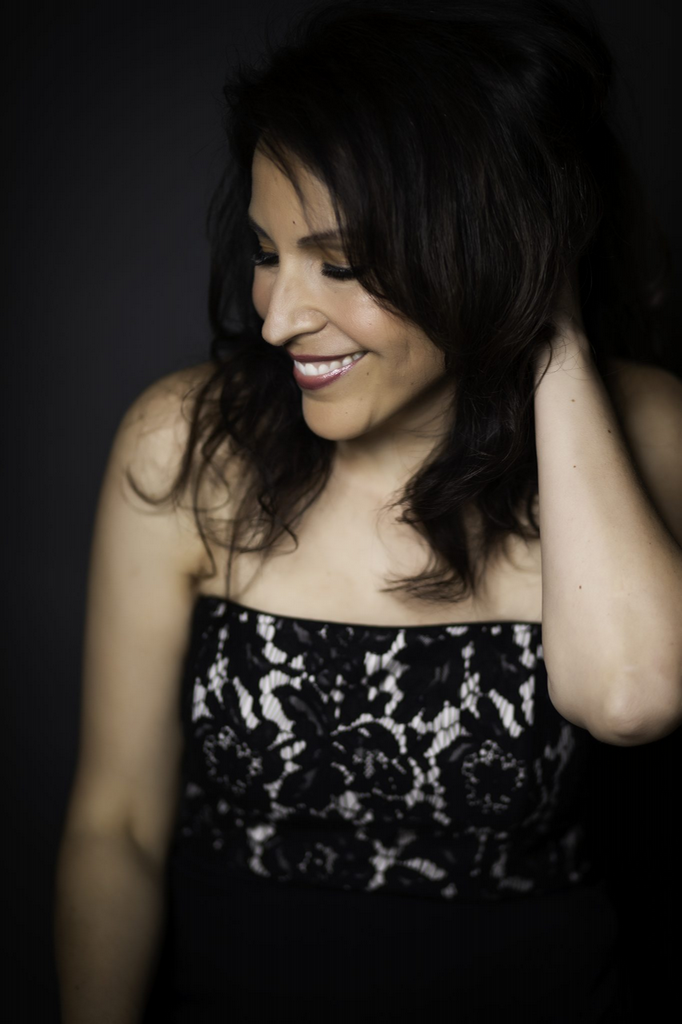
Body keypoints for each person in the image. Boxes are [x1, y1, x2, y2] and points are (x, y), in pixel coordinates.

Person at [54, 1, 682, 1021]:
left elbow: (631, 697)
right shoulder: (184, 443)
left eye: (339, 265)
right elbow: (114, 824)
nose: (277, 318)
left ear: (485, 249)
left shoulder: (645, 430)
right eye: (267, 252)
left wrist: (546, 322)